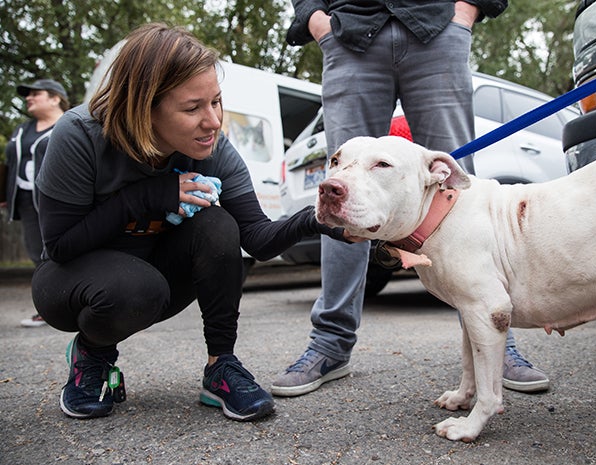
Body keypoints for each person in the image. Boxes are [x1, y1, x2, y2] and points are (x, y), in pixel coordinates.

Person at [31, 23, 351, 421]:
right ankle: (92, 353)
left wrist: (318, 219)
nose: (213, 120)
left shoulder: (213, 146)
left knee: (219, 226)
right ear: (143, 106)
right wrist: (148, 196)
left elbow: (257, 238)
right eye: (192, 108)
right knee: (135, 288)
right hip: (72, 281)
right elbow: (60, 245)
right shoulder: (80, 134)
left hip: (156, 274)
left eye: (216, 102)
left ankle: (222, 366)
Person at [271, 0, 550, 397]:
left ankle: (496, 341)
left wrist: (467, 11)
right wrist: (319, 23)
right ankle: (330, 343)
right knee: (344, 196)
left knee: (457, 192)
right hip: (348, 33)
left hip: (438, 27)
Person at [2, 79, 69, 327]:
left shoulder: (70, 125)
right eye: (28, 95)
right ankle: (48, 308)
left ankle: (68, 304)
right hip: (26, 200)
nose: (29, 98)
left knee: (61, 251)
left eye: (36, 94)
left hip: (60, 200)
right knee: (36, 253)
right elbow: (11, 165)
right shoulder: (22, 130)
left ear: (55, 98)